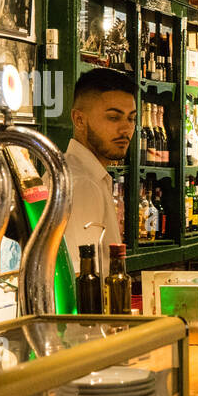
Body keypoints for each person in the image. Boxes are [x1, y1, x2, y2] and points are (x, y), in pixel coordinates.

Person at [64, 68, 137, 272]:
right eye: (114, 118)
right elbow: (83, 278)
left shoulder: (85, 174)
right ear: (79, 120)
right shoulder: (82, 184)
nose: (125, 129)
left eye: (131, 118)